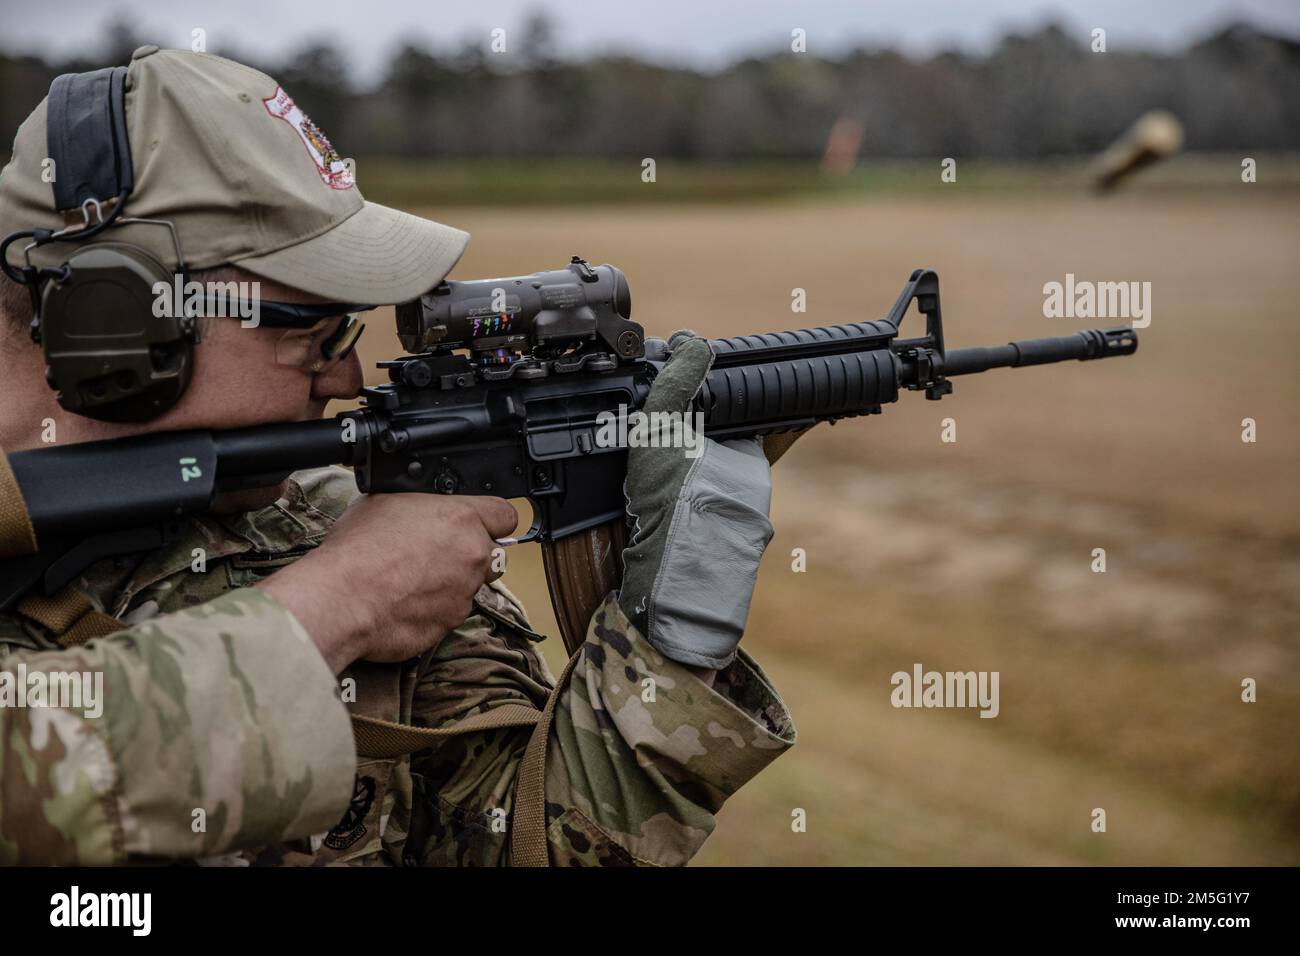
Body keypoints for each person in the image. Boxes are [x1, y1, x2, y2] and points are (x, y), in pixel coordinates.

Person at [0, 47, 794, 866]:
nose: (347, 375)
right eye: (313, 334)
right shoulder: (354, 565)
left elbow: (521, 846)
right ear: (115, 326)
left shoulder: (311, 513)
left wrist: (672, 651)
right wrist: (340, 604)